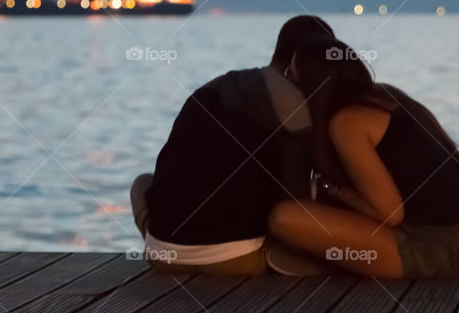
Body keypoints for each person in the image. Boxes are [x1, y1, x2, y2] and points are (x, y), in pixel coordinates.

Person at [268, 36, 459, 279]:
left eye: (291, 77)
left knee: (284, 218)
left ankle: (337, 263)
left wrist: (327, 187)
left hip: (438, 248)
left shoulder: (346, 122)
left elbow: (391, 214)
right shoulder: (387, 97)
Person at [129, 16, 335, 275]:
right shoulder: (299, 113)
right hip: (236, 259)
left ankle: (171, 245)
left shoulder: (213, 88)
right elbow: (296, 204)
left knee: (142, 183)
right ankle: (272, 257)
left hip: (161, 255)